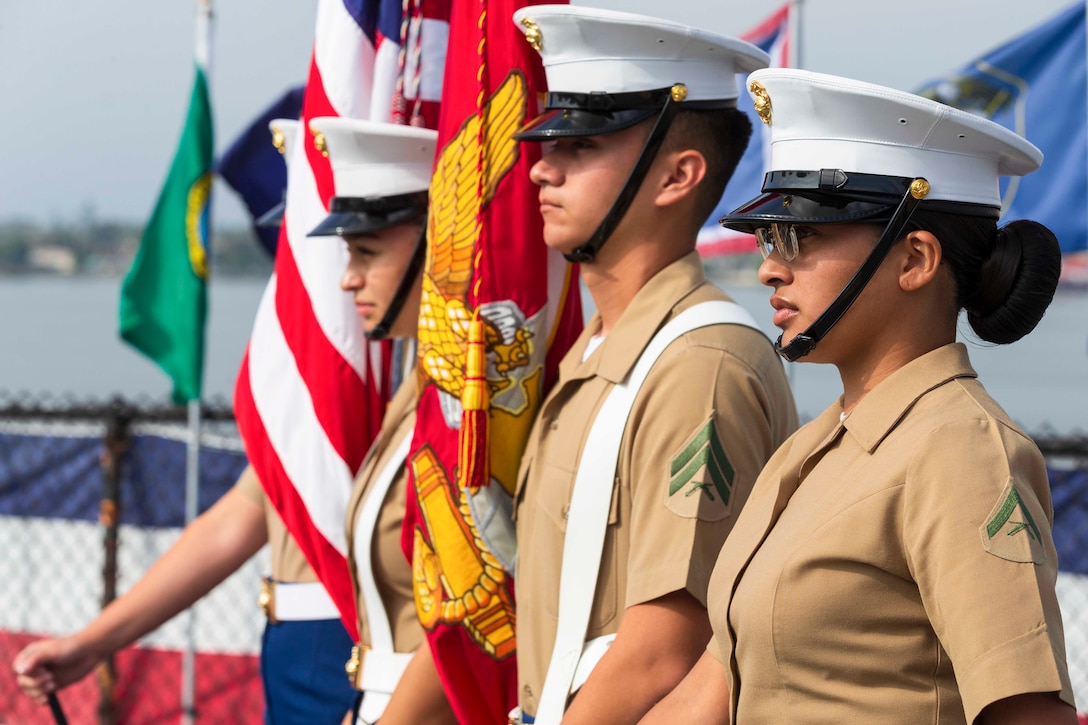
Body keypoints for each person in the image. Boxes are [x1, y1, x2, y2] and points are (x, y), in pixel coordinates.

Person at [644, 68, 1076, 725]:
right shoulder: (810, 450)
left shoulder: (962, 453)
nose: (768, 266)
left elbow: (1026, 713)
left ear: (915, 260)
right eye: (768, 237)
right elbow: (714, 685)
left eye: (800, 236)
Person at [12, 118, 362, 725]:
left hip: (358, 654)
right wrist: (93, 643)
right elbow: (246, 513)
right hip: (293, 652)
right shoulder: (320, 373)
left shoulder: (403, 378)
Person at [507, 7, 799, 723]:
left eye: (582, 145)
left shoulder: (699, 363)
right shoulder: (600, 352)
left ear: (678, 174)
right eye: (551, 141)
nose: (543, 166)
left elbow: (665, 651)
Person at [304, 116, 456, 725]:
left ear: (439, 241)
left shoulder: (463, 402)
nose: (349, 279)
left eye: (367, 252)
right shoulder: (417, 388)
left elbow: (470, 613)